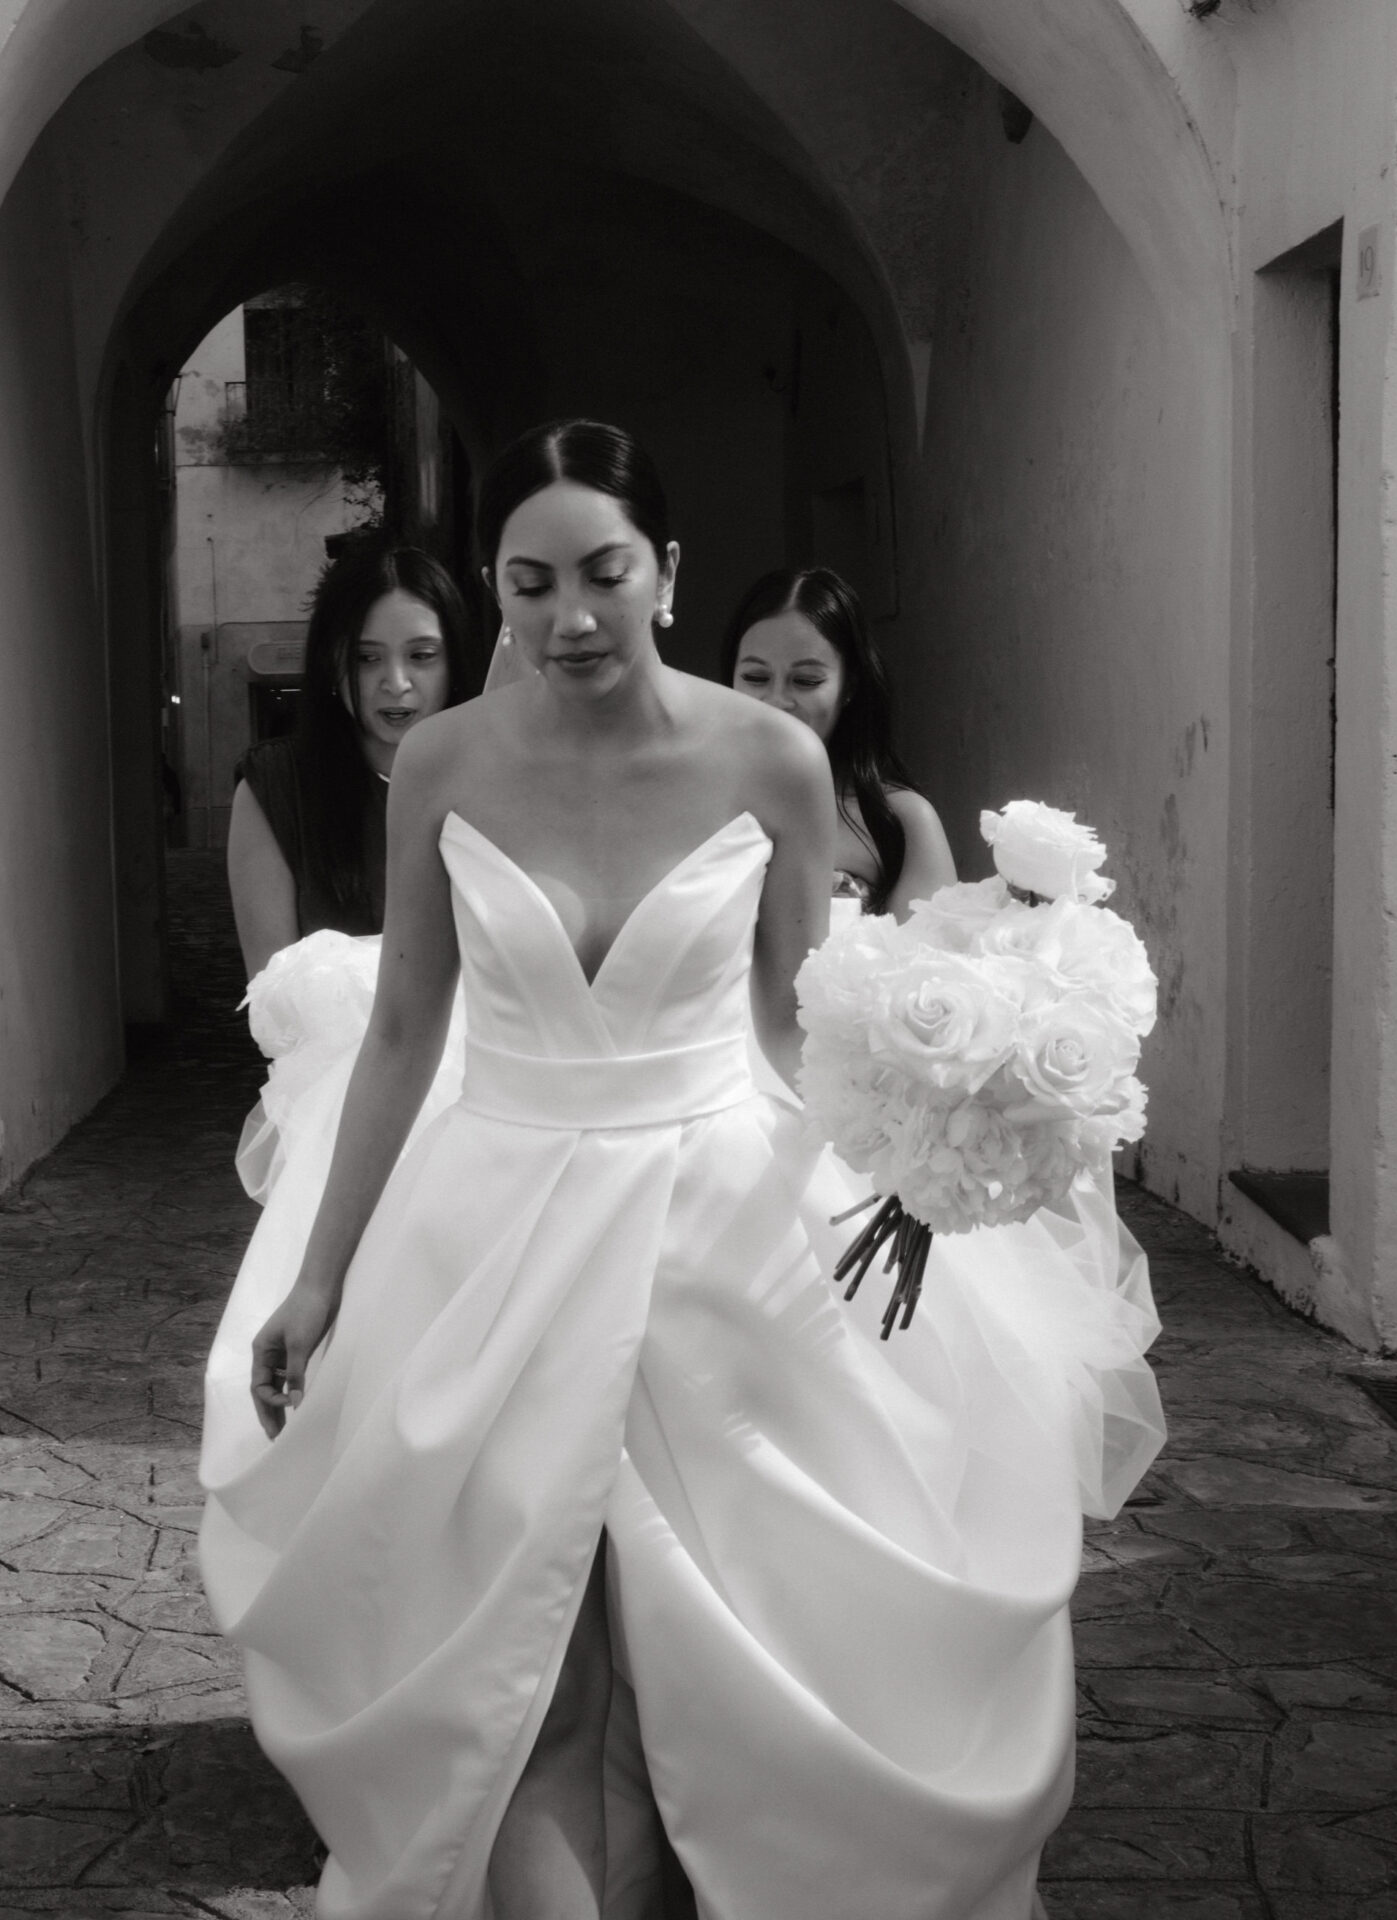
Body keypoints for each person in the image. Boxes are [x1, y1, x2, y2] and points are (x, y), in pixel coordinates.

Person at [199, 420, 1163, 1920]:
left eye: (603, 573)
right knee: (538, 1671)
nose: (568, 618)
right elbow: (402, 1031)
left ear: (666, 570)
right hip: (495, 1240)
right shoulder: (443, 764)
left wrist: (924, 1148)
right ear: (494, 592)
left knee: (722, 1665)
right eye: (527, 584)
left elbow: (794, 1025)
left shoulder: (768, 757)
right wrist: (320, 1273)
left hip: (720, 1234)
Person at [227, 543, 476, 982]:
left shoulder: (499, 779)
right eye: (366, 658)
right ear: (331, 659)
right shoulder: (277, 789)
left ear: (454, 660)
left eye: (421, 656)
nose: (395, 684)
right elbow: (272, 996)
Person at [724, 564, 956, 914]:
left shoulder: (901, 823)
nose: (776, 701)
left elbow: (932, 964)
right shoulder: (688, 800)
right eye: (755, 677)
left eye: (805, 681)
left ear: (849, 686)